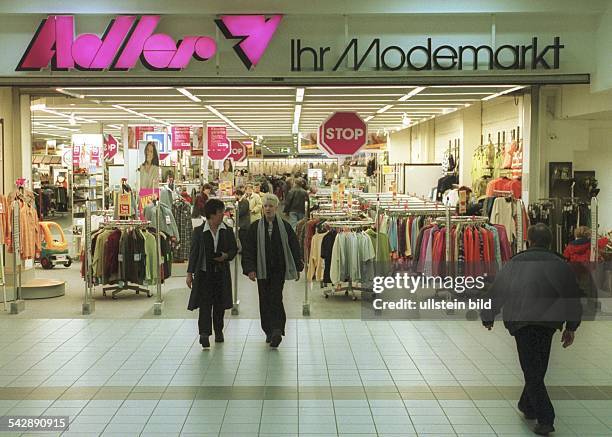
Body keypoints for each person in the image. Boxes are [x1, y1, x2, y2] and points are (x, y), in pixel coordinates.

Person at [481, 223, 583, 436]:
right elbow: (572, 297)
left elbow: (498, 290)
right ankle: (527, 405)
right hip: (548, 324)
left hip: (522, 322)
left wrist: (488, 315)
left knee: (533, 370)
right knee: (537, 368)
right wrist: (571, 326)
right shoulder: (561, 265)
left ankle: (546, 419)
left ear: (529, 241)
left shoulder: (515, 263)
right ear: (550, 242)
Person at [242, 194, 303, 348]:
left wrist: (297, 267)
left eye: (270, 206)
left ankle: (277, 329)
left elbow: (294, 247)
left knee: (276, 297)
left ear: (276, 208)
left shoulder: (285, 227)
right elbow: (248, 249)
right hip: (261, 270)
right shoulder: (255, 228)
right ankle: (268, 330)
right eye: (265, 206)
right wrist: (250, 269)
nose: (267, 209)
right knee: (264, 299)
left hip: (278, 269)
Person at [187, 199, 238, 348]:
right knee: (205, 305)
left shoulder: (227, 230)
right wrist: (190, 273)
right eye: (220, 212)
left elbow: (234, 250)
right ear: (212, 215)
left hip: (221, 273)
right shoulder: (199, 232)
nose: (223, 215)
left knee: (219, 305)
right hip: (204, 274)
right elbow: (194, 253)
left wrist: (226, 256)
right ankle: (204, 333)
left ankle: (219, 331)